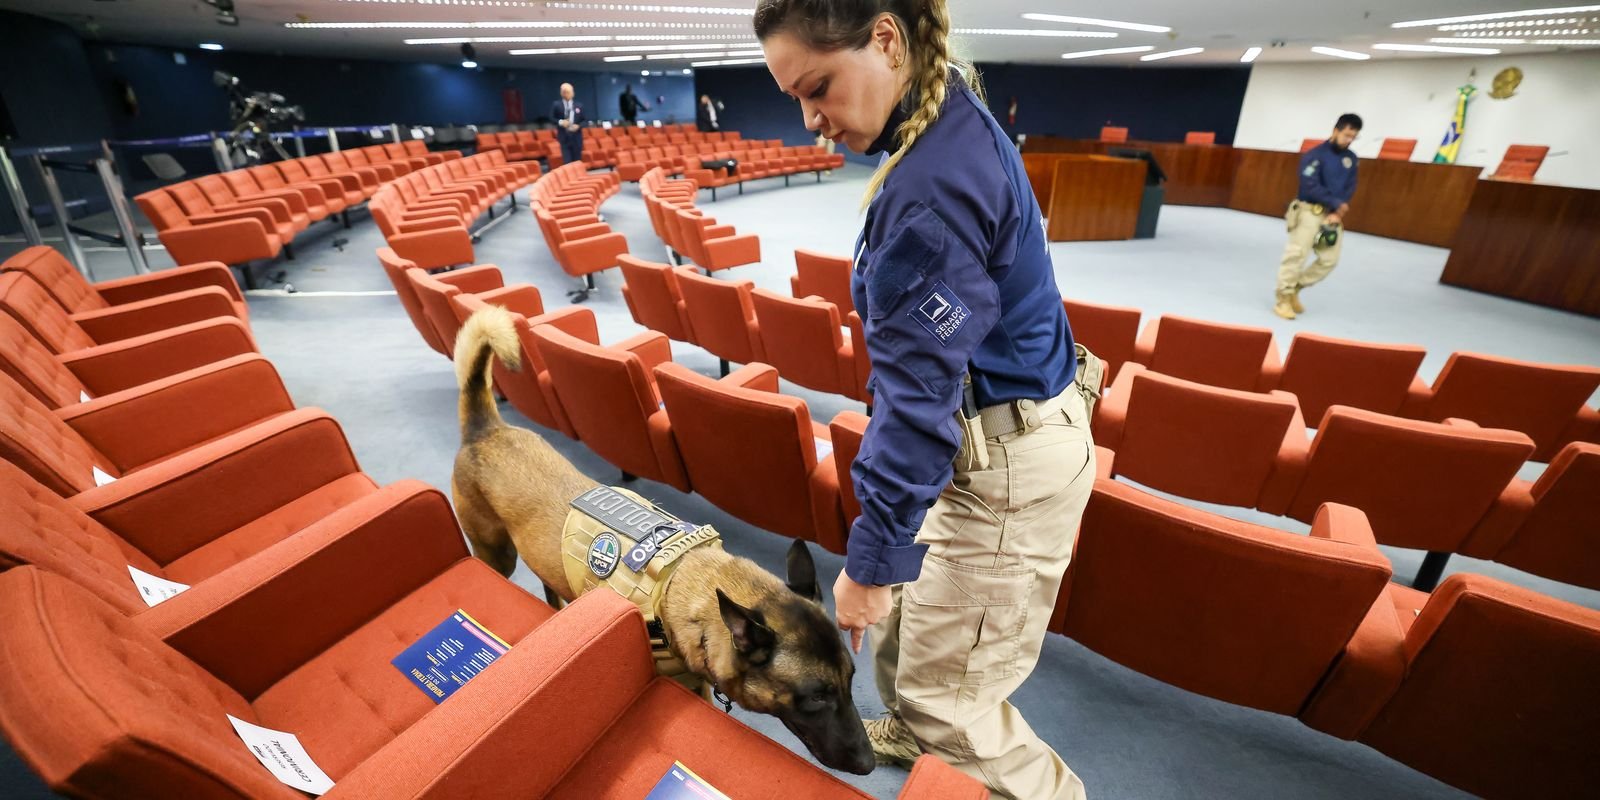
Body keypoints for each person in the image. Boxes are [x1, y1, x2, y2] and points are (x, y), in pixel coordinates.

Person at [757, 2, 1095, 799]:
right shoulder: (946, 103)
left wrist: (869, 565)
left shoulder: (928, 197)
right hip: (992, 437)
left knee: (949, 697)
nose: (812, 122)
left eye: (820, 88)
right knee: (915, 638)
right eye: (795, 100)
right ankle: (913, 727)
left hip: (1001, 463)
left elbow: (917, 409)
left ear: (885, 39)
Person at [1275, 113, 1361, 320]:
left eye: (1353, 137)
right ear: (1335, 130)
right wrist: (1336, 203)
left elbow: (1350, 186)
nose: (1349, 140)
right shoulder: (1314, 155)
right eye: (1346, 135)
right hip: (1308, 211)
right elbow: (1309, 185)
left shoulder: (1351, 159)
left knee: (1329, 260)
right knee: (1296, 256)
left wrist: (1336, 212)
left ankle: (1296, 287)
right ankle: (1283, 299)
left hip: (1332, 215)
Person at [551, 83, 585, 167]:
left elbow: (585, 120)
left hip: (576, 137)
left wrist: (578, 126)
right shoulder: (556, 105)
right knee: (567, 162)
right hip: (564, 136)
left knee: (577, 161)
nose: (567, 94)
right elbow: (551, 118)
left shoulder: (579, 105)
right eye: (565, 92)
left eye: (569, 92)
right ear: (561, 93)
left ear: (573, 93)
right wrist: (561, 122)